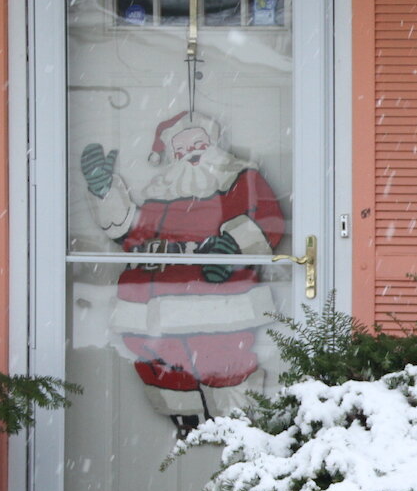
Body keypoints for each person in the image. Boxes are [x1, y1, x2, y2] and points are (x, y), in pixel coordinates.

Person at [79, 109, 285, 436]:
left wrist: (232, 247)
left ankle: (240, 434)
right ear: (170, 155)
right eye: (181, 149)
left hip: (219, 298)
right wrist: (106, 192)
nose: (190, 153)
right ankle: (187, 425)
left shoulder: (241, 179)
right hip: (158, 297)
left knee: (225, 360)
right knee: (162, 361)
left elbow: (267, 220)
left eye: (198, 144)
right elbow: (130, 234)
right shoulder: (163, 192)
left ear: (213, 143)